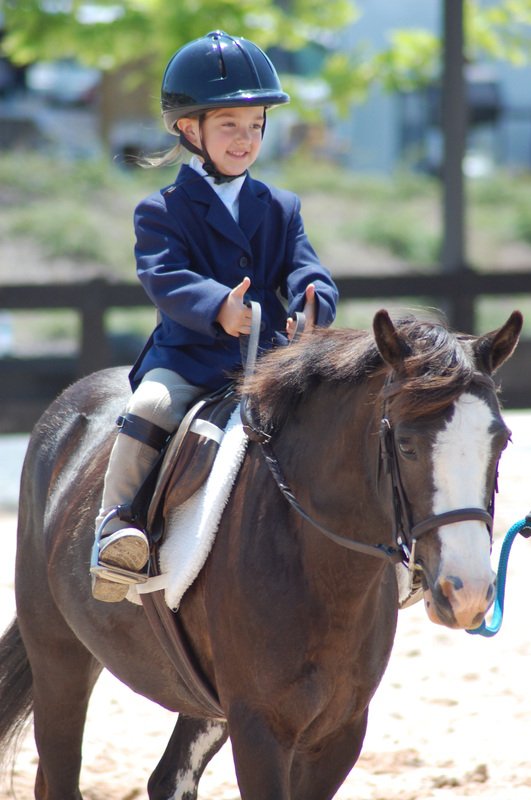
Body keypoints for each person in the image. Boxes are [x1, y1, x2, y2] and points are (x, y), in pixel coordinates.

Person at [91, 30, 339, 602]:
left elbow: (309, 271)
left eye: (255, 126)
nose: (245, 139)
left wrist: (310, 306)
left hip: (272, 359)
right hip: (190, 358)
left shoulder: (281, 207)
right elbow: (164, 277)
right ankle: (117, 523)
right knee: (149, 405)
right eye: (229, 125)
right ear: (189, 128)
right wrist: (217, 307)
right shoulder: (161, 210)